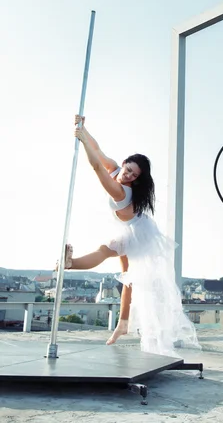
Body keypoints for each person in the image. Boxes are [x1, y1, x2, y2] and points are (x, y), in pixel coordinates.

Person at [60, 116, 200, 357]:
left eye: (134, 176)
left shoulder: (120, 191)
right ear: (124, 163)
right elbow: (98, 151)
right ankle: (122, 324)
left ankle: (71, 263)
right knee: (127, 279)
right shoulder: (115, 168)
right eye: (128, 170)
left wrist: (81, 140)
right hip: (125, 228)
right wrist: (84, 129)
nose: (128, 176)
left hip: (139, 233)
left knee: (108, 255)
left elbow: (95, 167)